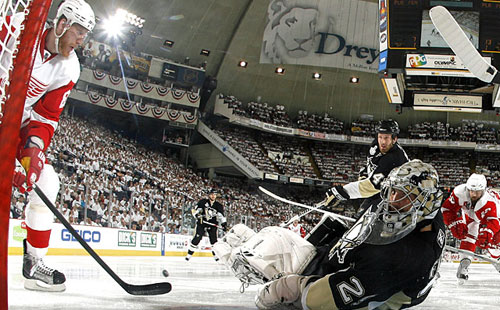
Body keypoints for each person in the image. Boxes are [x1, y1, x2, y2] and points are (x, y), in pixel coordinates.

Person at [216, 160, 446, 309]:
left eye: (404, 196)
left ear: (427, 203)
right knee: (266, 238)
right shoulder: (408, 212)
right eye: (392, 191)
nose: (392, 201)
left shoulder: (406, 258)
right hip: (350, 262)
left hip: (372, 288)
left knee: (268, 250)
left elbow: (320, 300)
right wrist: (344, 193)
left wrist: (295, 287)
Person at [7, 0, 95, 292]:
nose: (82, 40)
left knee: (46, 180)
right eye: (79, 31)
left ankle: (34, 262)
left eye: (86, 34)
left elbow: (46, 116)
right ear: (61, 23)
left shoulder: (70, 68)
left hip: (14, 127)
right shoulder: (17, 28)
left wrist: (34, 150)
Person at [323, 119, 409, 214]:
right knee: (360, 217)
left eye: (386, 138)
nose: (382, 142)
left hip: (393, 197)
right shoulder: (376, 144)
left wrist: (343, 192)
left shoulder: (394, 158)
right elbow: (371, 162)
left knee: (364, 221)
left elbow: (372, 186)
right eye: (380, 137)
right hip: (381, 190)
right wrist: (365, 172)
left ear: (394, 139)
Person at [441, 173, 500, 283]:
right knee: (467, 238)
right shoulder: (460, 193)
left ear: (483, 190)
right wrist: (453, 223)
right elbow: (447, 209)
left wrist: (486, 233)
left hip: (494, 218)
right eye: (471, 190)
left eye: (477, 191)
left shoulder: (490, 201)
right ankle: (464, 266)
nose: (473, 194)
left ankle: (497, 258)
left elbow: (493, 221)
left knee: (494, 243)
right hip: (471, 217)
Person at [186, 189, 227, 261]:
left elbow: (221, 216)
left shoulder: (219, 205)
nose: (213, 196)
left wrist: (224, 224)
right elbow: (195, 211)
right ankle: (189, 255)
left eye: (214, 194)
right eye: (211, 194)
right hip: (202, 222)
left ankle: (215, 256)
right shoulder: (203, 202)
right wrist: (197, 215)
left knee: (214, 241)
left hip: (212, 224)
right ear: (208, 195)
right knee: (197, 238)